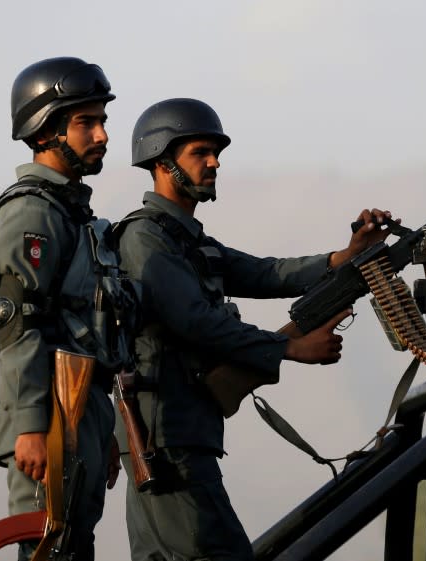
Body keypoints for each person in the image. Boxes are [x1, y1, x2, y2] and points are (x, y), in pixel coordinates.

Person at [113, 97, 392, 561]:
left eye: (215, 152)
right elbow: (195, 322)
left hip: (183, 434)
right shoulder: (145, 238)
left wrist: (343, 258)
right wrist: (290, 347)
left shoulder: (187, 238)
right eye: (200, 152)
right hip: (166, 442)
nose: (214, 162)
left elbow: (265, 273)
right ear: (163, 162)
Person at [0, 57, 139, 561]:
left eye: (102, 120)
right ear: (45, 129)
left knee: (72, 547)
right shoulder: (32, 211)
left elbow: (83, 328)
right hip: (47, 417)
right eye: (86, 122)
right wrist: (30, 425)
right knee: (49, 549)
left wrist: (101, 428)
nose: (103, 134)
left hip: (79, 411)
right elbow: (19, 327)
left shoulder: (70, 212)